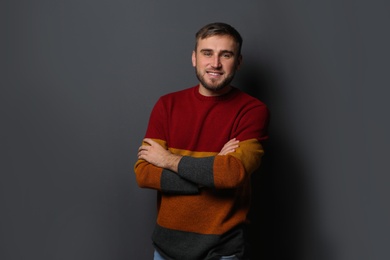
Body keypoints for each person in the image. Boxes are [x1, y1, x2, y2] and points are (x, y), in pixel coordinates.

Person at [134, 22, 269, 260]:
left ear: (238, 61)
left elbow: (232, 174)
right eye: (207, 53)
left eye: (225, 55)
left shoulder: (252, 110)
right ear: (194, 58)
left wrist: (167, 160)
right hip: (165, 250)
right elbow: (144, 173)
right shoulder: (167, 105)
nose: (215, 63)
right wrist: (213, 168)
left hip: (222, 251)